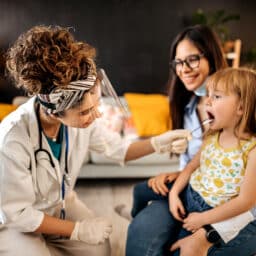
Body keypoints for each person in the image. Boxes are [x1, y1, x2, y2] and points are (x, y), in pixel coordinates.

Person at [0, 25, 191, 256]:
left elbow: (118, 148)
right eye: (84, 113)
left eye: (95, 107)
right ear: (54, 111)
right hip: (17, 222)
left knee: (99, 249)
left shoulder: (80, 122)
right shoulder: (12, 139)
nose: (95, 116)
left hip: (59, 204)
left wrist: (160, 143)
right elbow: (18, 213)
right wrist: (77, 230)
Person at [125, 25, 255, 256]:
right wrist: (175, 184)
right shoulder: (191, 110)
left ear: (212, 57)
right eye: (178, 62)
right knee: (143, 220)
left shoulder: (247, 138)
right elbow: (195, 162)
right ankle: (135, 210)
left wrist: (208, 231)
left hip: (222, 211)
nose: (183, 69)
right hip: (191, 188)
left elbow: (246, 201)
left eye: (192, 59)